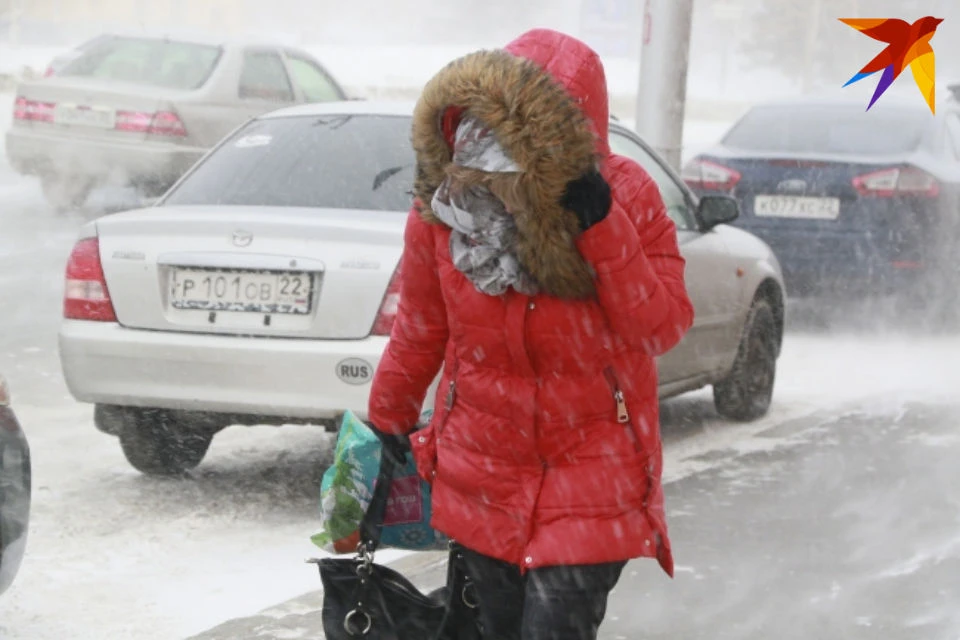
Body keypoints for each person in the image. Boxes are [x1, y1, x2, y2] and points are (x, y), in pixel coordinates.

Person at [368, 28, 695, 640]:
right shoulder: (446, 208)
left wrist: (602, 228)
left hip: (592, 476)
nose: (497, 165)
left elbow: (660, 328)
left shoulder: (625, 197)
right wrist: (386, 422)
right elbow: (419, 329)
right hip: (482, 470)